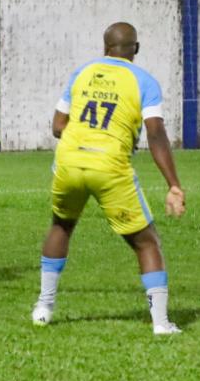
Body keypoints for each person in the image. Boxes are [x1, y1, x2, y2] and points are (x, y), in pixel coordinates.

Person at [32, 22, 186, 334]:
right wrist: (173, 184)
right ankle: (161, 323)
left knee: (61, 225)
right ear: (136, 49)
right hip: (109, 165)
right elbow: (156, 134)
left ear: (105, 47)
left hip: (70, 160)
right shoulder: (144, 81)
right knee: (146, 242)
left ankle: (43, 307)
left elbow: (58, 126)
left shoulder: (83, 72)